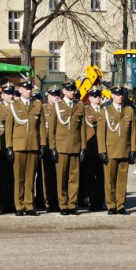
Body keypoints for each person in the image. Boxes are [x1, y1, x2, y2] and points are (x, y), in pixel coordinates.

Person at [97, 87, 136, 215]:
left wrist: (133, 149)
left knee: (122, 180)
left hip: (124, 150)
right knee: (110, 180)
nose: (120, 96)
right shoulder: (106, 111)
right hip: (110, 150)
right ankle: (111, 205)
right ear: (112, 96)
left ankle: (121, 205)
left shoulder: (129, 110)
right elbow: (101, 133)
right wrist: (102, 151)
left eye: (122, 94)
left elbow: (133, 132)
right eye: (117, 94)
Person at [47, 83, 86, 215]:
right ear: (63, 91)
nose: (72, 92)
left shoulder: (79, 106)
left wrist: (83, 147)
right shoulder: (57, 106)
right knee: (61, 178)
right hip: (61, 147)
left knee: (74, 178)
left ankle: (72, 204)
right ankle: (63, 205)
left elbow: (82, 129)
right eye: (69, 90)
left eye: (73, 90)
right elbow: (51, 129)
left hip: (75, 146)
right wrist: (52, 147)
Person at [6, 83, 45, 216]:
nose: (28, 91)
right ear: (20, 90)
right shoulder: (14, 105)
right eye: (26, 89)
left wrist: (42, 144)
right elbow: (9, 128)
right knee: (19, 178)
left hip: (33, 145)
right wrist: (9, 147)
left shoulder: (37, 105)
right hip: (19, 146)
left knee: (30, 177)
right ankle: (19, 205)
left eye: (30, 89)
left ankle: (29, 205)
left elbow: (41, 127)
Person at [81, 89, 106, 211]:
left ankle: (100, 201)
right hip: (90, 148)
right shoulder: (85, 110)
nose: (98, 98)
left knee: (101, 177)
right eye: (94, 96)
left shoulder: (105, 110)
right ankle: (90, 201)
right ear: (90, 98)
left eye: (99, 96)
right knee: (89, 177)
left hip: (102, 149)